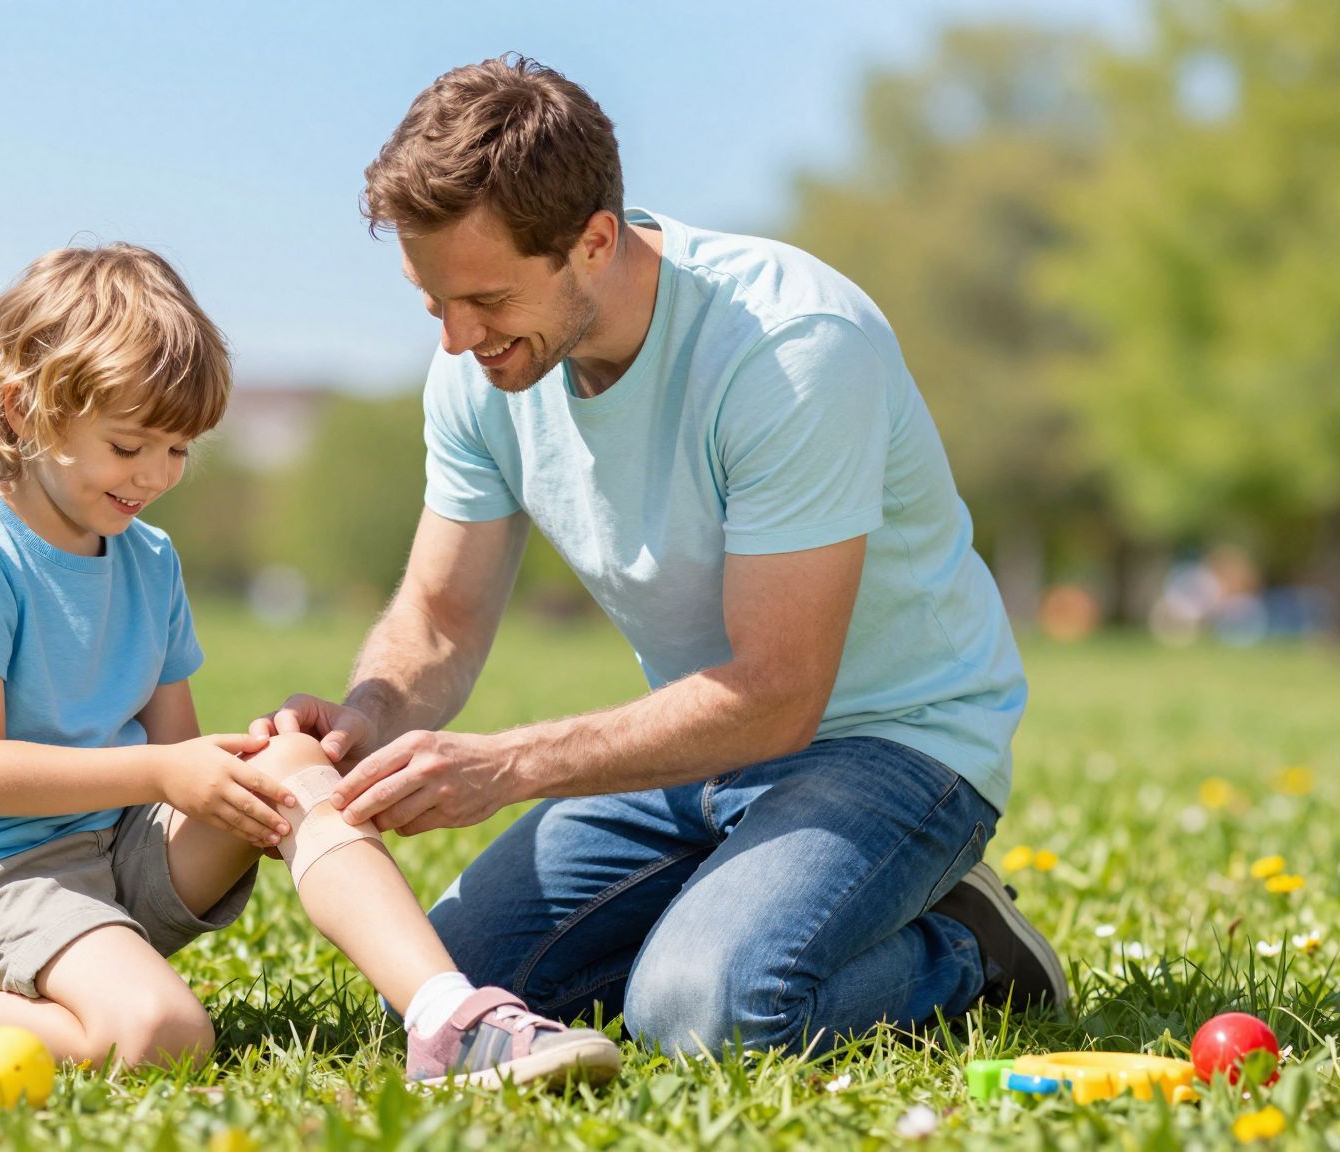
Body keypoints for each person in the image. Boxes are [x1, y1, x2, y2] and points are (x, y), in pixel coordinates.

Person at [259, 56, 1067, 1057]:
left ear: (594, 241)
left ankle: (966, 954)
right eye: (434, 305)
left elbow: (779, 691)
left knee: (702, 1012)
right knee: (437, 985)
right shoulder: (477, 371)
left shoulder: (787, 347)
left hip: (892, 746)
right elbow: (437, 619)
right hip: (691, 746)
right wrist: (365, 717)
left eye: (485, 299)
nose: (460, 338)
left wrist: (509, 765)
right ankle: (735, 898)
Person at [0, 243, 619, 1088]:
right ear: (26, 409)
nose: (157, 476)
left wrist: (260, 775)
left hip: (115, 849)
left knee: (290, 767)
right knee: (163, 1035)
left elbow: (175, 752)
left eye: (177, 449)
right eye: (129, 446)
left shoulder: (149, 558)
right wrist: (169, 771)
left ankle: (447, 1019)